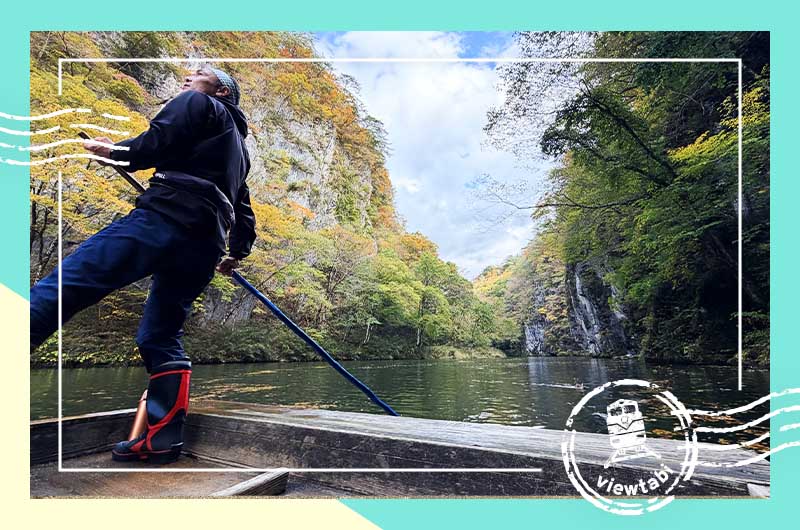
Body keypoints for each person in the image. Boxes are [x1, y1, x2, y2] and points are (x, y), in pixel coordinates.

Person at [29, 66, 256, 464]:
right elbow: (243, 210)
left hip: (163, 219)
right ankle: (161, 440)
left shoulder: (200, 103)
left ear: (221, 90)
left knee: (60, 289)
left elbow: (157, 141)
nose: (188, 77)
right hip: (204, 245)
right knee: (160, 337)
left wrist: (116, 152)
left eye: (198, 73)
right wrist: (237, 253)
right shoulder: (241, 151)